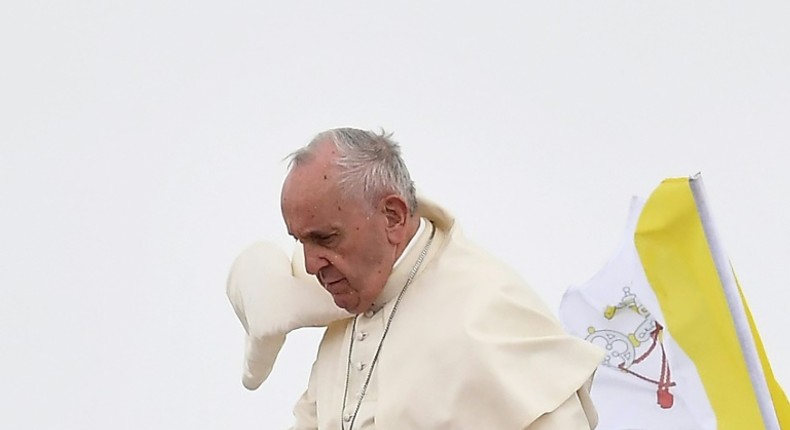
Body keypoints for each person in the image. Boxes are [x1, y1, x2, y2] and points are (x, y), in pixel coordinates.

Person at [226, 127, 605, 429]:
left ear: (392, 216)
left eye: (325, 238)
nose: (310, 265)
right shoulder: (343, 309)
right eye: (300, 241)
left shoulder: (487, 308)